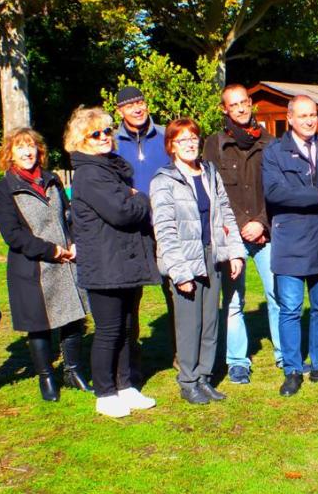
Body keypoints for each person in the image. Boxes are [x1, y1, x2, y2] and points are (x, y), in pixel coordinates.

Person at [65, 107, 161, 418]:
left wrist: (133, 197)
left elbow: (123, 207)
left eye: (107, 131)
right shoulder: (90, 174)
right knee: (109, 331)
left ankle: (125, 385)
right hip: (104, 263)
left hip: (123, 260)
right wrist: (142, 199)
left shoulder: (111, 169)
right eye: (95, 134)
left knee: (127, 327)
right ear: (82, 140)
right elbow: (121, 212)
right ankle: (105, 393)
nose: (104, 137)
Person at [0, 128, 91, 402]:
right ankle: (46, 377)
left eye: (31, 146)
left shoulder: (52, 180)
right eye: (20, 147)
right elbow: (13, 234)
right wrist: (50, 250)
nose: (27, 152)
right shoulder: (3, 189)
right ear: (10, 153)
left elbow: (69, 215)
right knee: (39, 324)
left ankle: (73, 371)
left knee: (73, 317)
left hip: (67, 261)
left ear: (39, 151)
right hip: (33, 266)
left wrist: (74, 241)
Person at [151, 119, 245, 405]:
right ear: (171, 146)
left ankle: (204, 377)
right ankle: (188, 381)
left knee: (210, 322)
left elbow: (226, 213)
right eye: (182, 140)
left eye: (193, 138)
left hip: (211, 255)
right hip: (184, 259)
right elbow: (164, 231)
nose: (190, 144)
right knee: (189, 325)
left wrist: (234, 251)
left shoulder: (209, 173)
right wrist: (180, 274)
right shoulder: (163, 181)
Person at [262, 95, 318, 397]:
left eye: (313, 115)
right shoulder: (275, 152)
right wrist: (317, 196)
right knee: (290, 310)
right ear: (290, 118)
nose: (310, 121)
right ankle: (292, 370)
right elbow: (275, 192)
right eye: (303, 116)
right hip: (291, 242)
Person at [203, 84, 281, 383]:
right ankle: (237, 361)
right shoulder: (214, 144)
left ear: (250, 103)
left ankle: (285, 355)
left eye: (243, 102)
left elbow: (277, 189)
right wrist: (239, 226)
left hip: (265, 234)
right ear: (224, 109)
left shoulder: (270, 143)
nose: (240, 108)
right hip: (231, 236)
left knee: (277, 296)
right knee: (234, 301)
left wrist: (261, 222)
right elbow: (213, 192)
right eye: (233, 105)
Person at [113, 86, 176, 383]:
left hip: (167, 227)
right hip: (131, 230)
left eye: (140, 102)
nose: (137, 109)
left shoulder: (166, 136)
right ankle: (131, 362)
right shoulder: (111, 142)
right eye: (130, 105)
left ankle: (183, 355)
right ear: (120, 111)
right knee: (131, 299)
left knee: (177, 292)